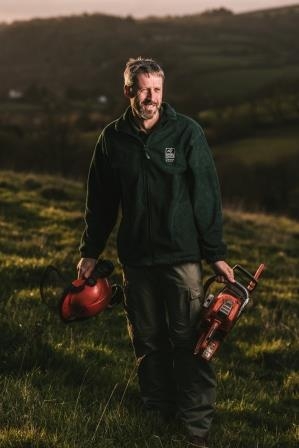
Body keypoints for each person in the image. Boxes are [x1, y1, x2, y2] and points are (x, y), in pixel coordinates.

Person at [77, 57, 234, 448]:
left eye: (157, 90)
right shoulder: (113, 139)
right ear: (128, 90)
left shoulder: (186, 133)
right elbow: (100, 202)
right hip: (137, 260)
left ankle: (196, 424)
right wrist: (90, 251)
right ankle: (156, 409)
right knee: (146, 339)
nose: (152, 98)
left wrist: (214, 252)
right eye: (144, 89)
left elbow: (206, 195)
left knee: (192, 341)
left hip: (181, 256)